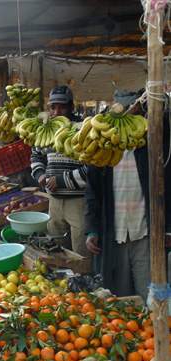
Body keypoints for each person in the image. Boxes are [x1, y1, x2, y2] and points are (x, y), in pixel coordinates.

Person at [85, 97, 171, 300]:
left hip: (144, 234)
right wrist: (92, 229)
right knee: (119, 296)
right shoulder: (103, 153)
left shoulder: (149, 148)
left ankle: (155, 328)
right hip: (114, 234)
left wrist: (167, 227)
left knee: (150, 292)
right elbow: (92, 194)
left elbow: (165, 188)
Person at [30, 86, 88, 257]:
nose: (57, 111)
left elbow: (93, 167)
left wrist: (62, 180)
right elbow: (35, 155)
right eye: (53, 107)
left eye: (62, 107)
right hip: (54, 200)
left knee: (81, 253)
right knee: (57, 250)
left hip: (78, 201)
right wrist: (40, 174)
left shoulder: (82, 129)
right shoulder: (47, 129)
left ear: (71, 106)